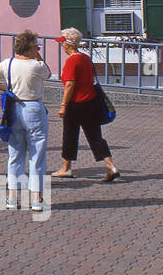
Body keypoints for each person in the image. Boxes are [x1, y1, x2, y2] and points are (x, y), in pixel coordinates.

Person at [0, 30, 51, 212]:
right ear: (31, 47)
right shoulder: (36, 65)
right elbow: (48, 73)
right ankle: (36, 198)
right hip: (33, 107)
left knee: (15, 153)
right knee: (37, 152)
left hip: (14, 108)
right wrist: (38, 55)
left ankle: (12, 197)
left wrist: (4, 88)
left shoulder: (7, 63)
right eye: (36, 45)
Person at [51, 27, 120, 183]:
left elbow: (70, 85)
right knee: (95, 137)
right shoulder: (85, 58)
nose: (61, 45)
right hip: (91, 101)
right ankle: (111, 166)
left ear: (69, 43)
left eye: (62, 42)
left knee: (69, 135)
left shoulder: (72, 60)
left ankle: (66, 168)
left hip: (75, 104)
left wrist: (63, 105)